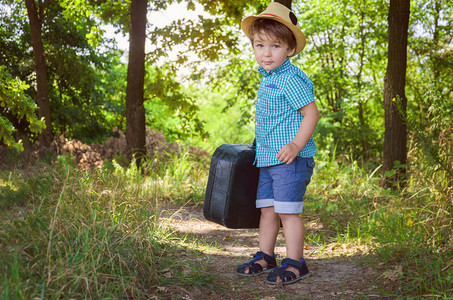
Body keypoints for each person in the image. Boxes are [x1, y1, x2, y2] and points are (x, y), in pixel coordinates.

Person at [236, 2, 320, 285]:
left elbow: (311, 113)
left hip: (291, 159)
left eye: (275, 46)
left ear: (290, 49)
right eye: (259, 45)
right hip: (269, 158)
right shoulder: (268, 77)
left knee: (288, 210)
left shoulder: (291, 78)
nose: (266, 53)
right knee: (268, 210)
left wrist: (296, 145)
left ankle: (297, 263)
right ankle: (265, 255)